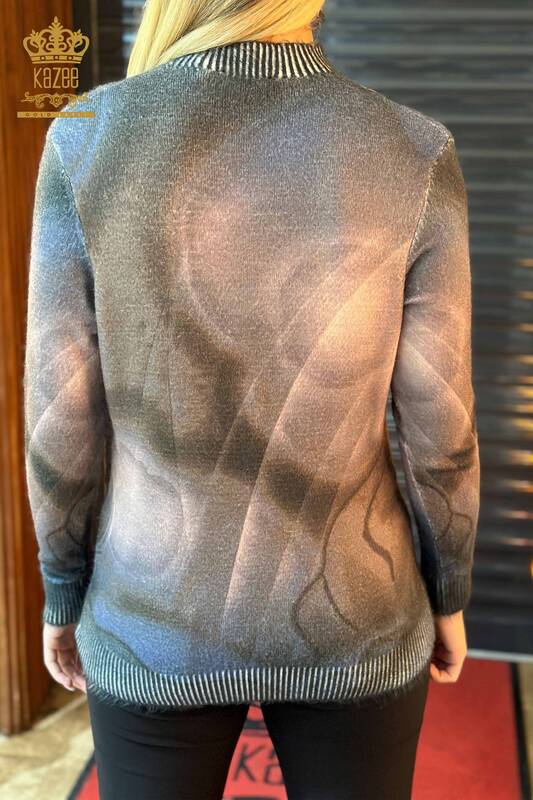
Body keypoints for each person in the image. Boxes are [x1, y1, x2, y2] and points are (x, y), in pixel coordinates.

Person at [23, 0, 480, 797]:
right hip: (354, 612)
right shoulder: (412, 149)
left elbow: (62, 414)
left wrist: (61, 589)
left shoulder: (86, 138)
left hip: (150, 619)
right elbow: (438, 425)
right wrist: (448, 589)